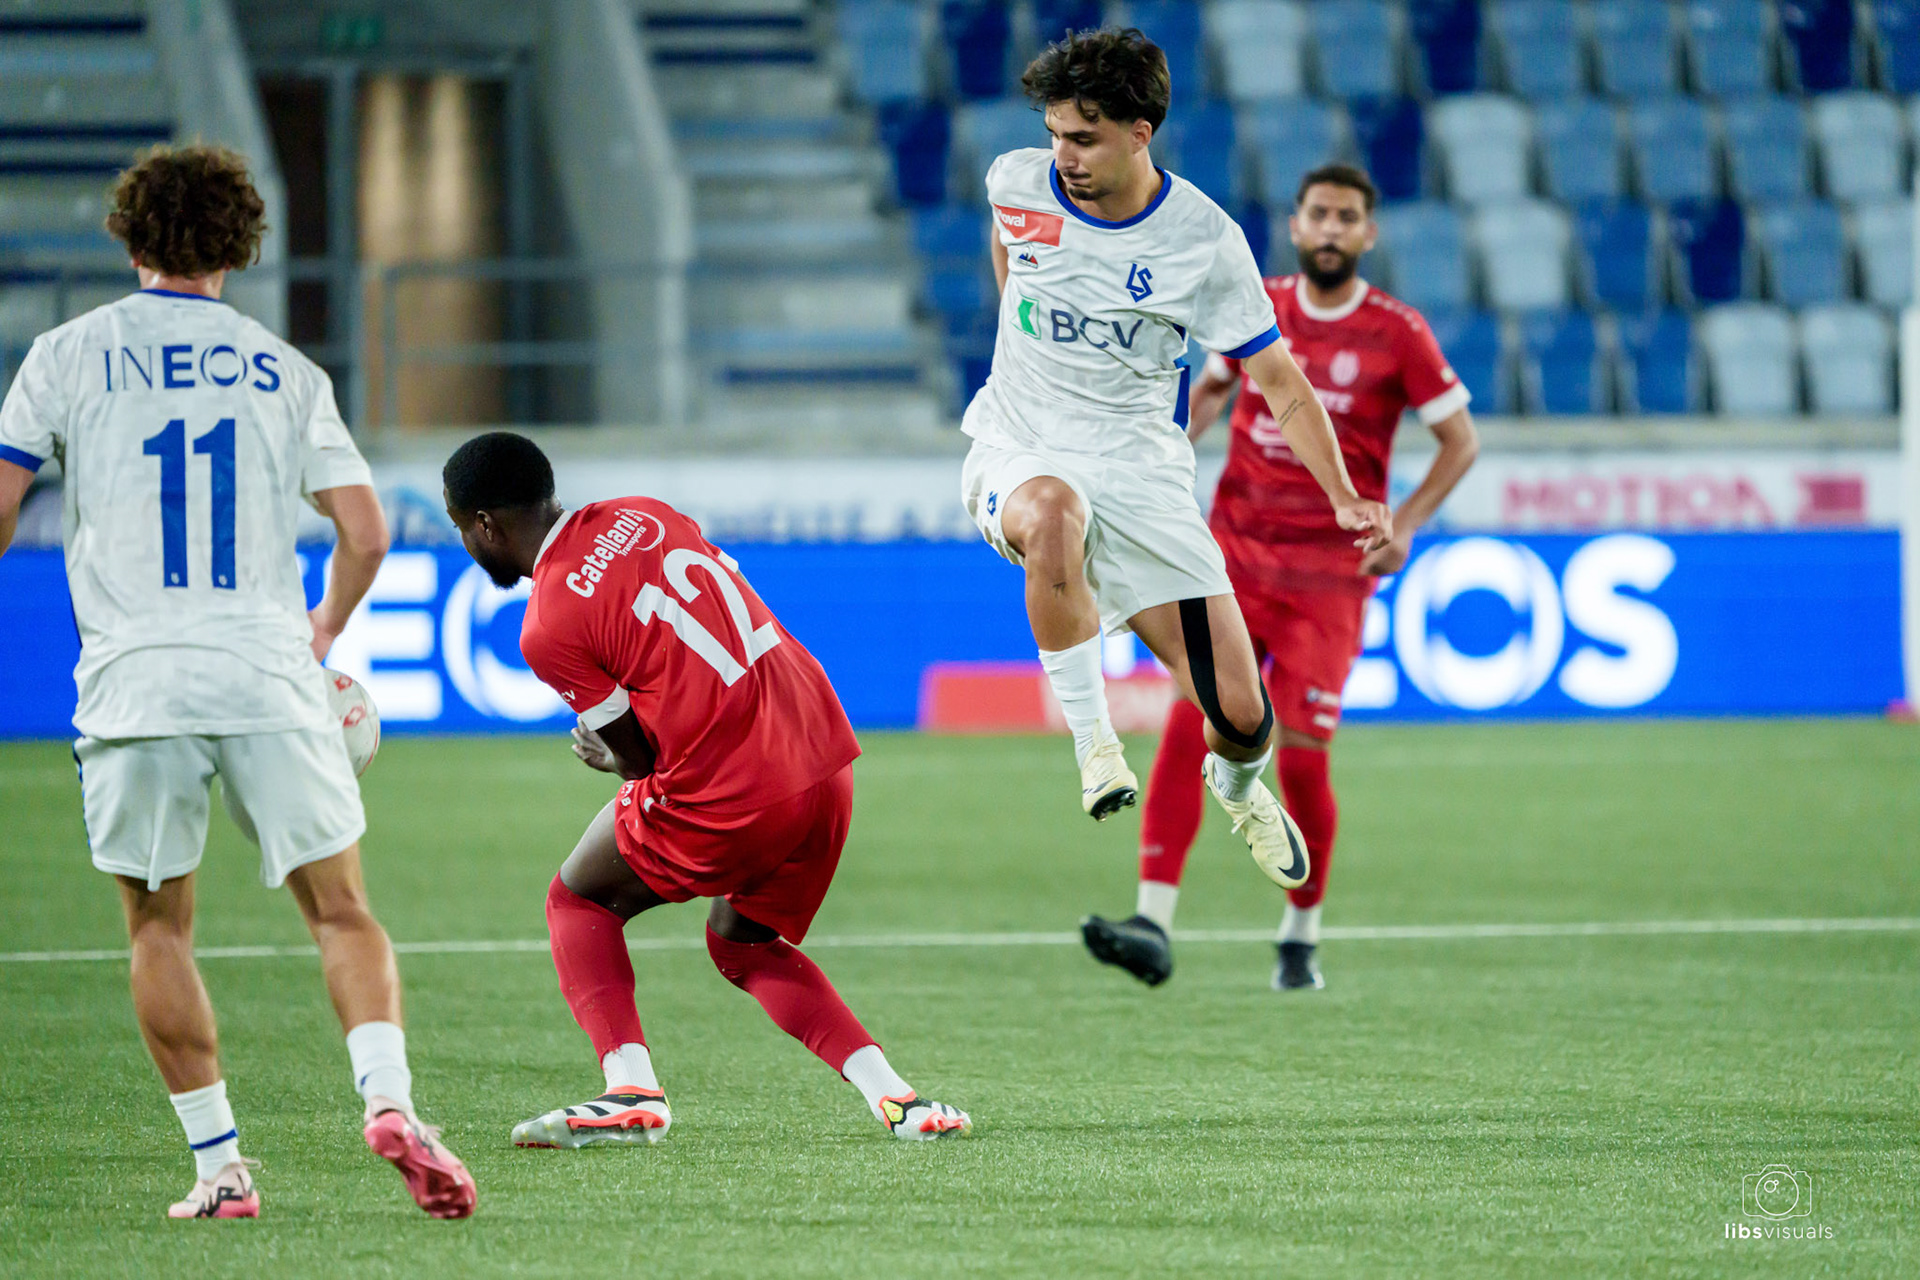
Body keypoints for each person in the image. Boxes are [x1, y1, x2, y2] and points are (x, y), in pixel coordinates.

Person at [0, 145, 474, 1219]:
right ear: (239, 248)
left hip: (134, 677)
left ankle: (221, 1168)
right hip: (267, 669)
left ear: (127, 239)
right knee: (343, 910)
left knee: (159, 927)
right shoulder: (283, 370)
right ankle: (390, 1099)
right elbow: (364, 530)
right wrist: (324, 627)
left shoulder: (65, 355)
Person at [440, 432, 970, 1147]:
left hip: (735, 790)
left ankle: (631, 1089)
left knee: (578, 900)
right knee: (743, 944)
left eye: (462, 531)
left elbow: (637, 760)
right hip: (822, 755)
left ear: (484, 526)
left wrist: (605, 748)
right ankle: (900, 1101)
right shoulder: (644, 512)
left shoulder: (548, 623)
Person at [957, 28, 1392, 892]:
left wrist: (1344, 495)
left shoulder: (1203, 240)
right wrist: (1020, 316)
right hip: (1022, 443)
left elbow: (1280, 379)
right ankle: (1093, 747)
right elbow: (1011, 246)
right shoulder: (1015, 180)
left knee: (1241, 717)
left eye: (1083, 138)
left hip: (1144, 475)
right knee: (1050, 512)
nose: (1062, 156)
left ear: (1139, 132)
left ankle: (1238, 788)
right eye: (1055, 134)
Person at [1082, 164, 1481, 991]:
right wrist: (1165, 458)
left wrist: (1403, 525)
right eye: (1318, 215)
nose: (1331, 230)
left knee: (1301, 756)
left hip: (1330, 577)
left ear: (1368, 234)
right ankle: (1152, 921)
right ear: (1296, 226)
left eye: (1347, 218)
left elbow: (1460, 441)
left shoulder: (1397, 332)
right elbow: (1215, 391)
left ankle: (1300, 934)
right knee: (1195, 719)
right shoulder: (1256, 303)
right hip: (1231, 555)